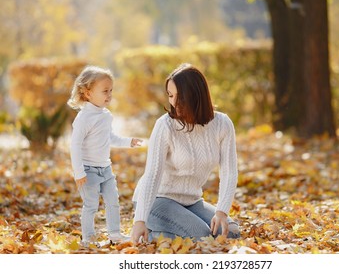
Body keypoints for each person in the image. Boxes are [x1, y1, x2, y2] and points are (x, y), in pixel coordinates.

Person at [131, 63, 240, 243]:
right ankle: (151, 234)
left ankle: (168, 230)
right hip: (157, 200)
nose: (172, 102)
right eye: (170, 95)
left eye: (178, 96)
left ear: (195, 95)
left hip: (192, 201)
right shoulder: (165, 125)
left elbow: (229, 171)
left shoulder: (222, 124)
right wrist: (140, 219)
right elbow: (152, 175)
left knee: (231, 232)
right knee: (202, 236)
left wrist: (221, 211)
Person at [68, 65, 142, 247]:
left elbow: (109, 137)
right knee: (91, 205)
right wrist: (79, 173)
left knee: (113, 202)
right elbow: (75, 145)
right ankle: (88, 238)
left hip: (105, 169)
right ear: (87, 93)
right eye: (104, 91)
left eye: (111, 90)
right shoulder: (84, 117)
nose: (109, 95)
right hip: (88, 170)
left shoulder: (105, 115)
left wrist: (127, 142)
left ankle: (115, 234)